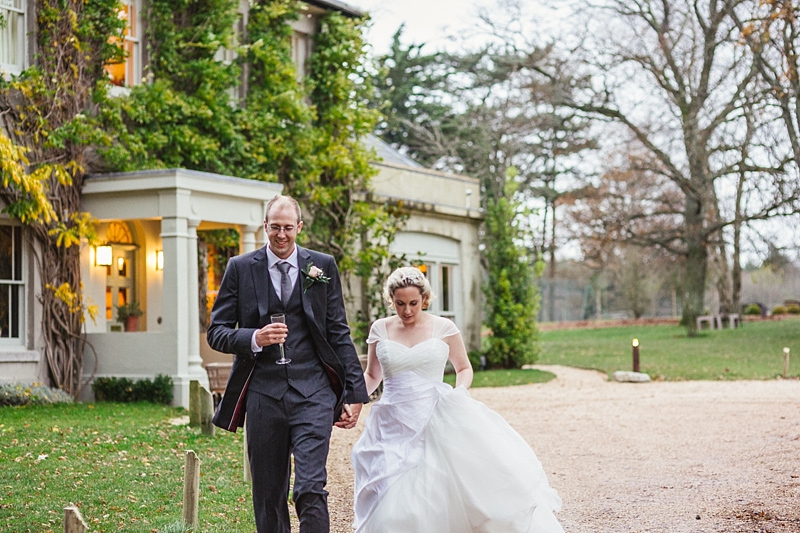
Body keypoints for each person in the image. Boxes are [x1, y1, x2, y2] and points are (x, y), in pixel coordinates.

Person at [351, 267, 564, 532]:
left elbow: (464, 368)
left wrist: (458, 394)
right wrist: (355, 401)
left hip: (435, 414)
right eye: (400, 304)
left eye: (413, 304)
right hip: (391, 420)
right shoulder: (380, 328)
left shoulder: (444, 327)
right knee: (390, 492)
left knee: (439, 489)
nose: (407, 311)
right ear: (391, 300)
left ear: (425, 299)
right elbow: (372, 374)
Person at [207, 195, 369, 533]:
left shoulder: (322, 266)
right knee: (268, 494)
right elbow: (217, 333)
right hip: (264, 394)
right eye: (275, 227)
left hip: (313, 392)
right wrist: (254, 338)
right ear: (265, 226)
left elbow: (338, 331)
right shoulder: (240, 268)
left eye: (288, 228)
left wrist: (355, 392)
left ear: (300, 227)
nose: (281, 235)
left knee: (310, 488)